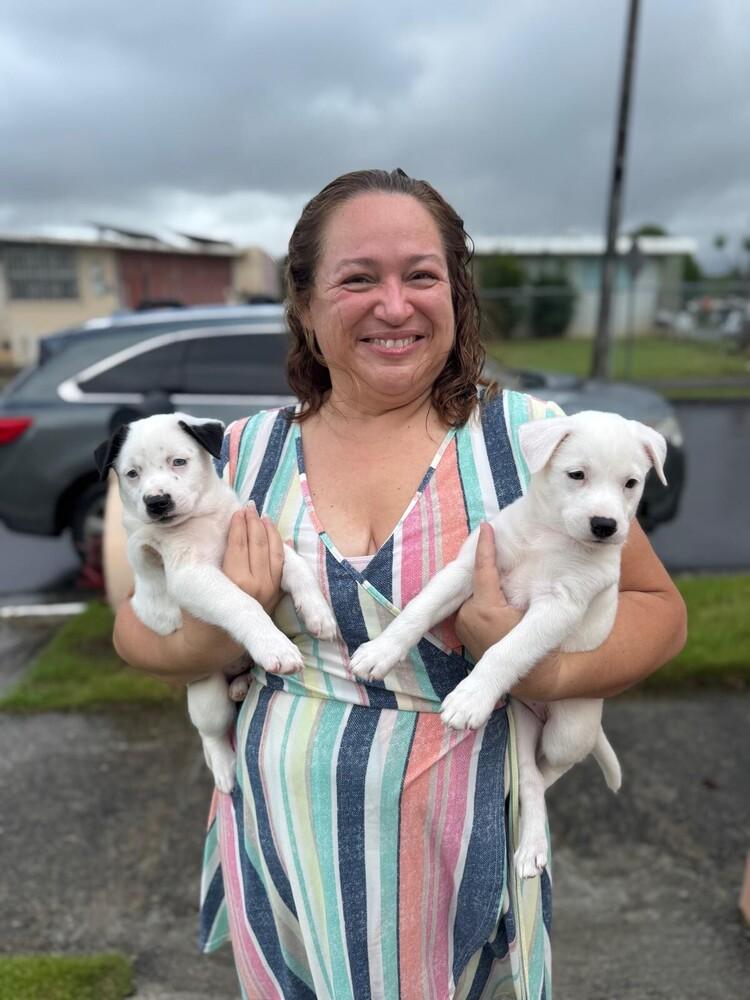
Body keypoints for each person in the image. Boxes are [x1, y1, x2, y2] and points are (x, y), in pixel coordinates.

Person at [113, 168, 687, 999]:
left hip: (458, 841)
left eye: (422, 275)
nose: (394, 305)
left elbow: (656, 612)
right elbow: (136, 626)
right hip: (285, 838)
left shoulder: (537, 441)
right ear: (305, 306)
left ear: (456, 294)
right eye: (357, 279)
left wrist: (543, 668)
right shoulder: (227, 454)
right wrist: (213, 627)